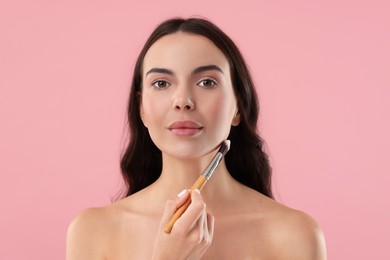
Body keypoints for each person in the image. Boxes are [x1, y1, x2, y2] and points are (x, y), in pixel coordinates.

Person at [66, 17, 327, 259]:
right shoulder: (93, 231)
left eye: (207, 82)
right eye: (161, 83)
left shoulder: (295, 236)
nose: (183, 101)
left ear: (238, 106)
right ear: (142, 109)